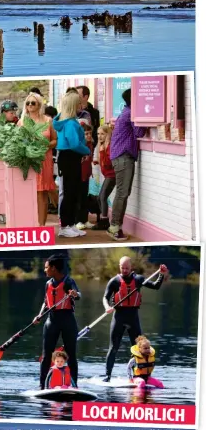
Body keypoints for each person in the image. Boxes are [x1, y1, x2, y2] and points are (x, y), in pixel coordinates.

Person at [102, 257, 168, 382]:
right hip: (119, 317)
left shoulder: (139, 279)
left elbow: (155, 286)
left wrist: (161, 274)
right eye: (122, 268)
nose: (125, 270)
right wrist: (107, 307)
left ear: (131, 267)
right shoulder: (114, 281)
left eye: (127, 268)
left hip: (133, 317)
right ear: (119, 266)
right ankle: (107, 376)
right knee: (113, 347)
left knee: (138, 349)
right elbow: (105, 297)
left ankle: (139, 376)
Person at [34, 255, 81, 390]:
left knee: (71, 354)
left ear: (54, 268)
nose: (45, 270)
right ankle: (42, 387)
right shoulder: (48, 284)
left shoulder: (68, 282)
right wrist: (40, 315)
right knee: (46, 355)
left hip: (68, 321)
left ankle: (74, 386)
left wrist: (74, 294)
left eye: (47, 267)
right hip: (51, 321)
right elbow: (46, 301)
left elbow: (79, 295)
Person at [109, 89, 147, 241]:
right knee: (122, 193)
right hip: (123, 157)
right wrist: (146, 118)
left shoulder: (125, 111)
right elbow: (139, 132)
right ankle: (114, 227)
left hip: (120, 156)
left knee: (122, 192)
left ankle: (115, 226)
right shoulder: (131, 113)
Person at [53, 92, 90, 238]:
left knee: (72, 192)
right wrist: (86, 149)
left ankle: (70, 224)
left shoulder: (67, 121)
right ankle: (65, 226)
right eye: (79, 102)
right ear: (74, 105)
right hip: (69, 157)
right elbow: (74, 143)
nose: (82, 105)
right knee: (69, 193)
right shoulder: (70, 123)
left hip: (68, 157)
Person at [19, 93, 56, 226]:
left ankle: (41, 226)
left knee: (42, 193)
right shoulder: (22, 121)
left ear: (39, 104)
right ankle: (30, 224)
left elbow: (54, 140)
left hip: (44, 161)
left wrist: (45, 146)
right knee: (29, 193)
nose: (30, 105)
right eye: (28, 103)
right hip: (29, 162)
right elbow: (17, 142)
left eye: (33, 103)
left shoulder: (47, 120)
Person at [93, 124, 115, 230]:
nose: (99, 136)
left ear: (108, 134)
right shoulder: (102, 146)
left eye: (102, 134)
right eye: (98, 134)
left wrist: (101, 152)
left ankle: (104, 220)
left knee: (102, 197)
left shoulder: (108, 146)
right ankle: (103, 219)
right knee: (100, 197)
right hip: (108, 175)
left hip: (112, 175)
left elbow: (108, 163)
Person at [75, 120, 94, 231]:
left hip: (86, 174)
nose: (89, 135)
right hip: (79, 175)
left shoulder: (90, 145)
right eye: (86, 133)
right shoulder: (80, 146)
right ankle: (77, 220)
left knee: (84, 197)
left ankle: (84, 219)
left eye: (90, 133)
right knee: (78, 198)